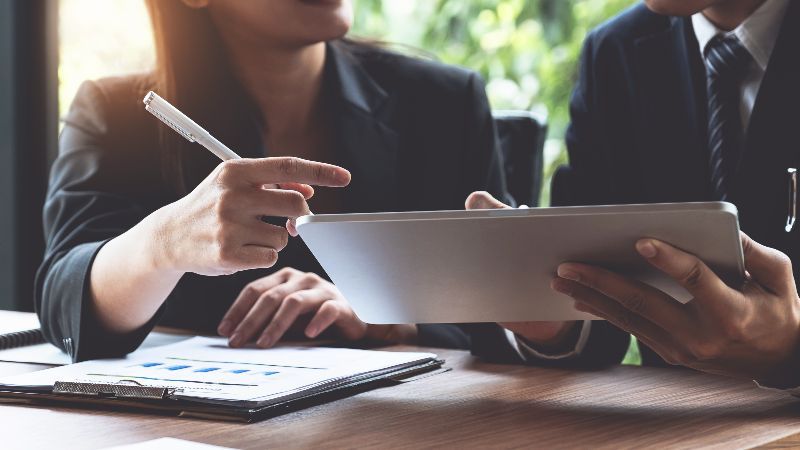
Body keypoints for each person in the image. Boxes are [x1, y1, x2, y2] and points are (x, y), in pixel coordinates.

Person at [38, 0, 507, 362]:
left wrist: (387, 321)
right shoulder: (117, 113)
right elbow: (64, 304)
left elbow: (513, 310)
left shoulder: (443, 104)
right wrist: (162, 244)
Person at [467, 0, 800, 390]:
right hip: (675, 425)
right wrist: (555, 320)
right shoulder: (616, 51)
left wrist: (792, 352)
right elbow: (601, 313)